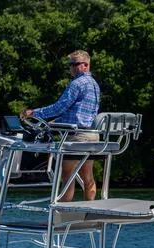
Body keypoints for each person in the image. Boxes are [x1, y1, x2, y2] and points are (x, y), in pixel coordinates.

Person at [20, 50, 100, 202]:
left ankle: (59, 220)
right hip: (92, 135)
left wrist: (33, 113)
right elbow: (80, 112)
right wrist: (55, 122)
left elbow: (59, 107)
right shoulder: (94, 85)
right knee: (87, 176)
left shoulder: (77, 84)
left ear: (85, 65)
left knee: (67, 177)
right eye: (70, 65)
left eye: (75, 64)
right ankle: (90, 215)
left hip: (77, 137)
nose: (71, 68)